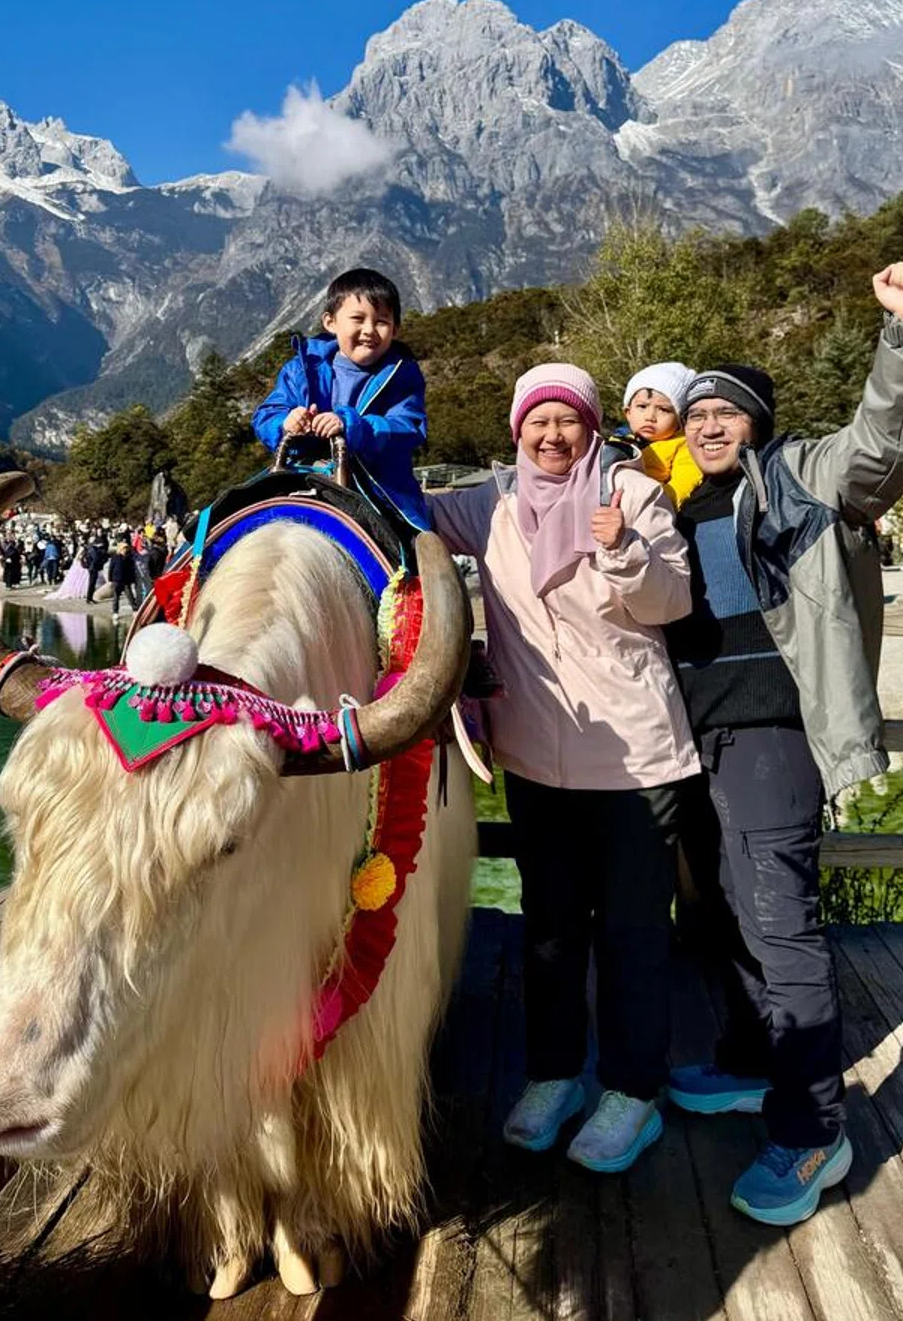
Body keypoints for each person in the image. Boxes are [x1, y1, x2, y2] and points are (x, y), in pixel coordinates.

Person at [665, 259, 903, 1227]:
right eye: (697, 414)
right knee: (730, 916)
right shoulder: (683, 505)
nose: (708, 425)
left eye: (726, 412)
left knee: (781, 924)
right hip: (701, 746)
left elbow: (886, 439)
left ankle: (816, 1130)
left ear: (758, 421)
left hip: (774, 740)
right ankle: (753, 1063)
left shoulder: (803, 477)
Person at [431, 364, 699, 1172]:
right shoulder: (491, 501)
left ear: (591, 425)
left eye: (568, 420)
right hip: (536, 755)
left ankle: (632, 1092)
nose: (553, 436)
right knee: (548, 930)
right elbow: (403, 514)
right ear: (517, 431)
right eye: (538, 422)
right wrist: (329, 444)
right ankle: (553, 1077)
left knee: (633, 931)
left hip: (635, 757)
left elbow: (671, 603)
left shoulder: (631, 493)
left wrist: (621, 549)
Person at [251, 267, 429, 528]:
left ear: (395, 329)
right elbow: (267, 414)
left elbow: (409, 426)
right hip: (300, 475)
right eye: (358, 318)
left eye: (381, 321)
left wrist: (352, 426)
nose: (369, 330)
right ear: (330, 322)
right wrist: (286, 422)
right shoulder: (302, 368)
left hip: (381, 490)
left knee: (422, 544)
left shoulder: (402, 374)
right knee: (222, 526)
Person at [623, 361, 701, 509]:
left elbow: (682, 485)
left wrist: (656, 502)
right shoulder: (619, 441)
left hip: (649, 509)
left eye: (663, 409)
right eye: (642, 406)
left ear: (680, 420)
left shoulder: (684, 446)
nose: (650, 417)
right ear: (628, 413)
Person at [108, 540, 139, 622]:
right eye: (124, 548)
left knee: (130, 596)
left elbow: (132, 569)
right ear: (120, 549)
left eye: (126, 548)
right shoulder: (115, 557)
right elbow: (111, 568)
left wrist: (132, 579)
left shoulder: (129, 558)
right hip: (117, 580)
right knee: (116, 597)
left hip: (126, 580)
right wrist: (110, 579)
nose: (125, 550)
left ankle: (135, 610)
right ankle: (115, 612)